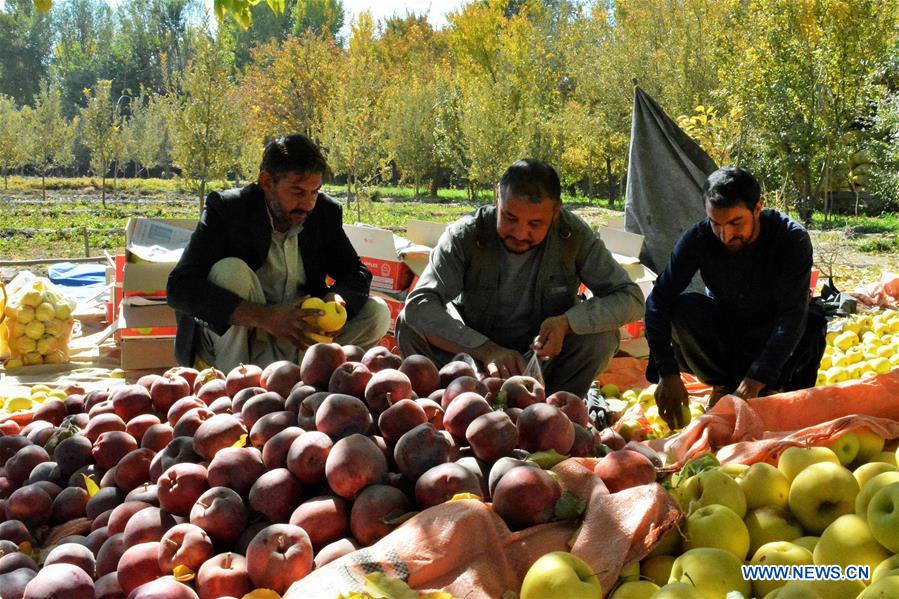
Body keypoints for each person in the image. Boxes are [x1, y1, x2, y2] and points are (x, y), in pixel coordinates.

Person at [396, 159, 645, 397]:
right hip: (471, 359)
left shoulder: (573, 236)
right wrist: (487, 350)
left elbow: (631, 298)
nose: (520, 233)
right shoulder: (467, 234)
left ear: (556, 212)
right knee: (409, 323)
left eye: (536, 224)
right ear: (497, 197)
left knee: (602, 337)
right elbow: (420, 306)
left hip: (543, 360)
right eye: (510, 218)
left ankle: (557, 413)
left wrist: (567, 323)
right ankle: (443, 404)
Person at [167, 134, 391, 372]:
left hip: (296, 335)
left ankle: (310, 376)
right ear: (266, 182)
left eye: (314, 192)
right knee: (230, 271)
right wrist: (265, 317)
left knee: (376, 312)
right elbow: (180, 287)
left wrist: (337, 299)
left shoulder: (323, 213)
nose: (307, 204)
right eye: (297, 192)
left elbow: (355, 272)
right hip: (243, 336)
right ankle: (235, 382)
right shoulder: (228, 210)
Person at [645, 166, 826, 428]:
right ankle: (723, 385)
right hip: (728, 334)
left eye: (735, 223)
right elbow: (657, 301)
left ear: (757, 209)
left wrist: (755, 380)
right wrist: (667, 372)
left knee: (812, 322)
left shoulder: (790, 238)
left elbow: (791, 317)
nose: (725, 235)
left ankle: (776, 391)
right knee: (683, 309)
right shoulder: (698, 238)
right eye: (715, 223)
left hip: (775, 335)